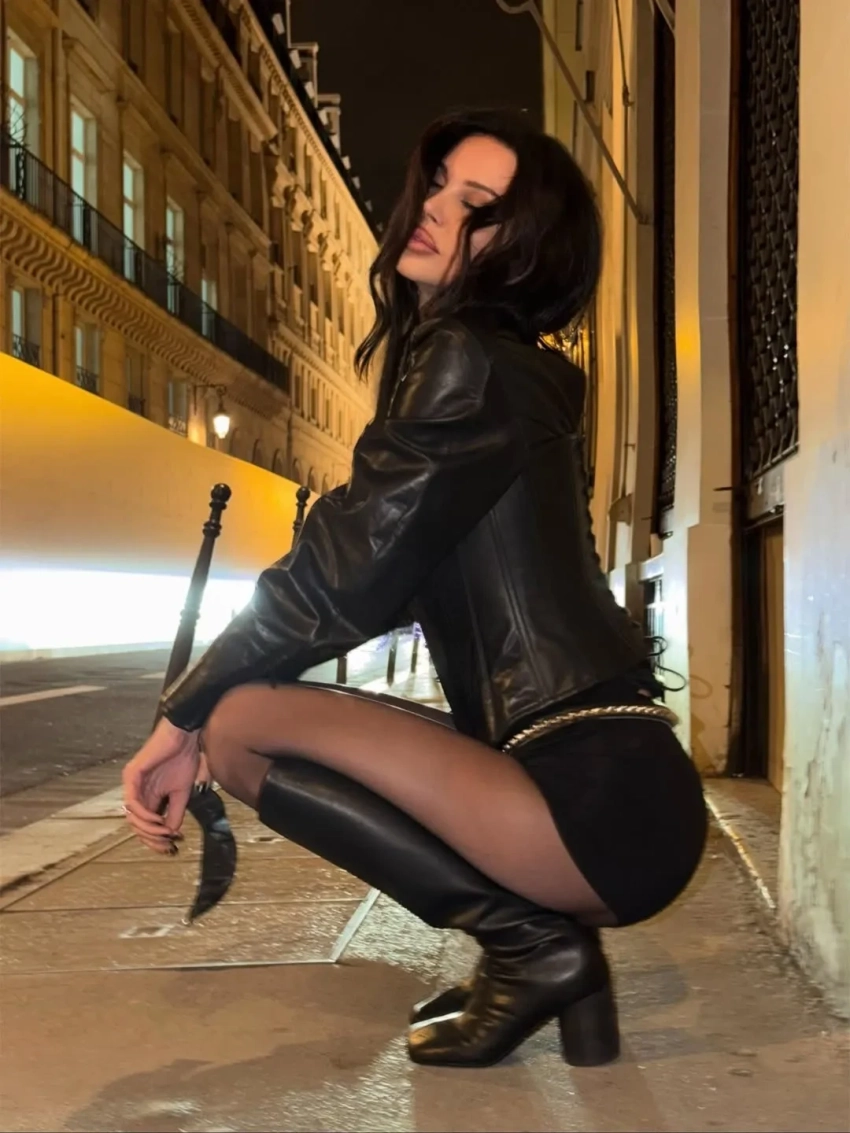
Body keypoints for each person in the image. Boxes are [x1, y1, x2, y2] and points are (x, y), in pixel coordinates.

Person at [123, 108, 707, 1069]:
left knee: (238, 726)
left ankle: (532, 947)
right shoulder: (500, 374)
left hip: (587, 802)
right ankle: (553, 959)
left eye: (476, 204)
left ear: (524, 248)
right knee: (263, 712)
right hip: (607, 788)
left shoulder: (466, 362)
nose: (434, 209)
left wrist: (179, 714)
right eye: (437, 186)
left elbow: (345, 567)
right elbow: (375, 575)